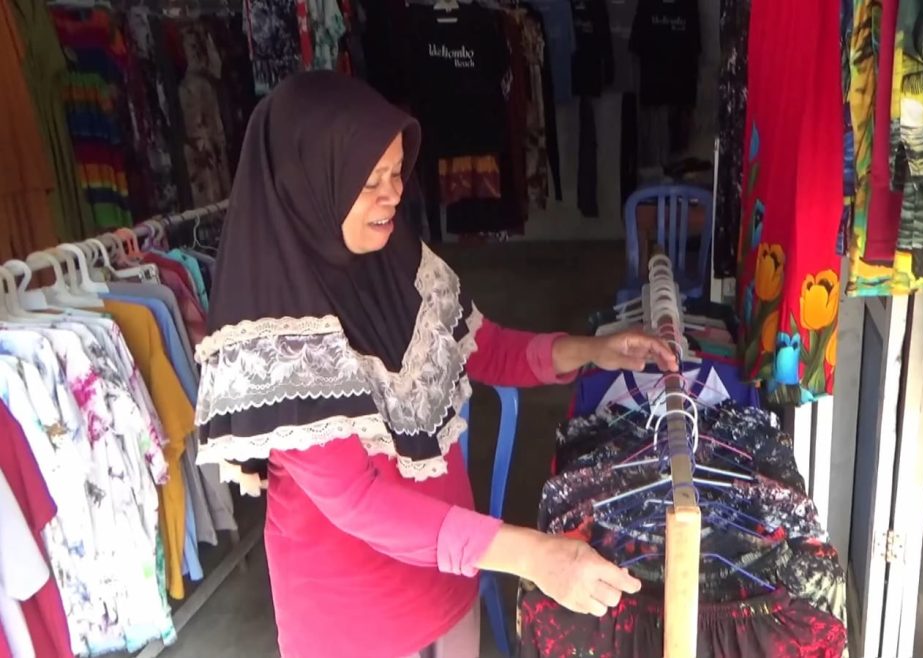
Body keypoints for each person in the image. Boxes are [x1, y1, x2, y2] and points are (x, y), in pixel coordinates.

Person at [193, 71, 679, 658]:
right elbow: (357, 499)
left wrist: (591, 349)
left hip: (449, 580)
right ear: (309, 185)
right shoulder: (272, 341)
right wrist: (530, 553)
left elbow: (483, 346)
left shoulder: (394, 257)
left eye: (397, 173)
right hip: (353, 623)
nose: (393, 194)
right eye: (369, 181)